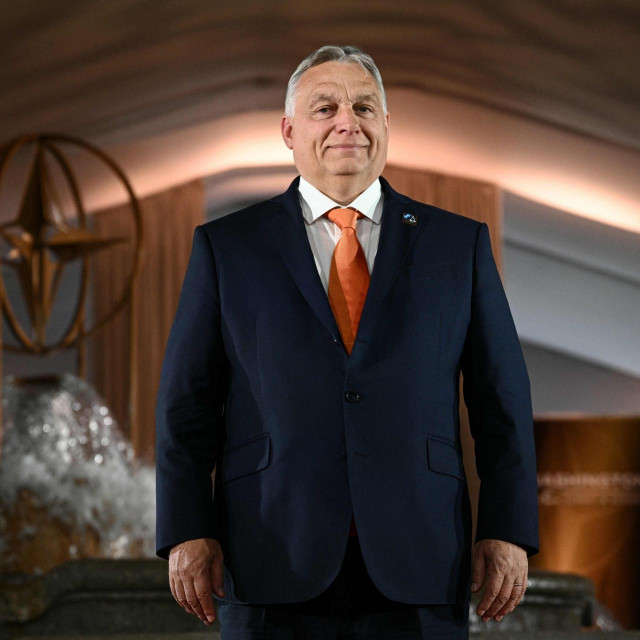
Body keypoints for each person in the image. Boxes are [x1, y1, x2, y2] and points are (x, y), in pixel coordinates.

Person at [155, 44, 539, 639]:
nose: (347, 122)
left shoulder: (456, 245)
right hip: (269, 553)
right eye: (325, 107)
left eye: (364, 107)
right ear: (288, 130)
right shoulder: (227, 248)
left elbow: (501, 400)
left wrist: (508, 527)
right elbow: (188, 404)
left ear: (386, 126)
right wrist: (185, 527)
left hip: (422, 556)